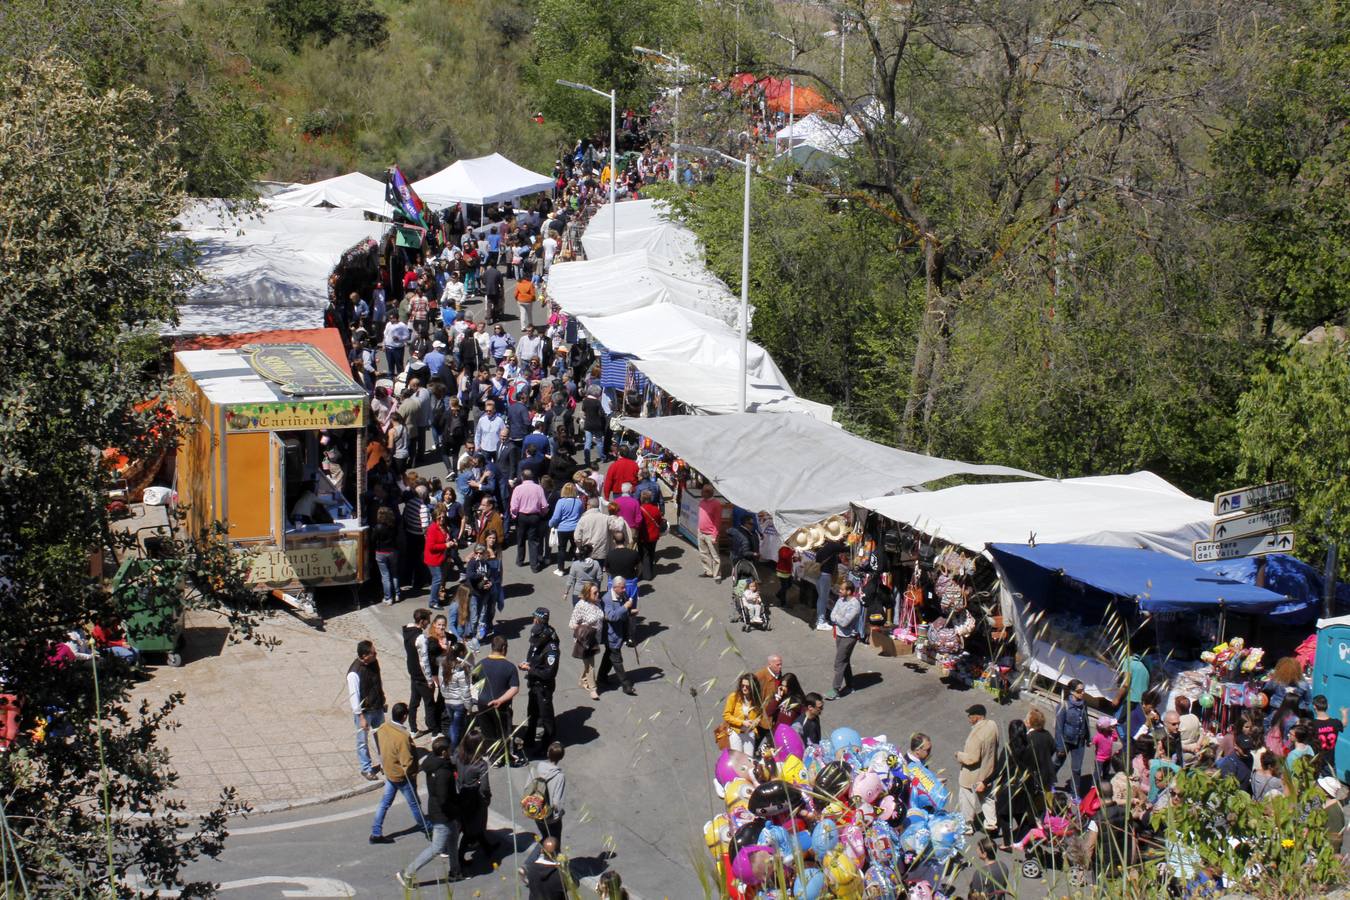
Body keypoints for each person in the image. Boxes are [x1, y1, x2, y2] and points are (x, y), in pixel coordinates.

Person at [397, 735, 464, 887]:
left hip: (443, 812)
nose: (451, 752)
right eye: (449, 750)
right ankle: (407, 872)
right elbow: (443, 798)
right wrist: (455, 807)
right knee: (437, 848)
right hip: (443, 815)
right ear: (444, 752)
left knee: (453, 841)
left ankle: (455, 871)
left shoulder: (433, 763)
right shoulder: (443, 773)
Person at [369, 703, 428, 843]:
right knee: (414, 804)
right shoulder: (403, 736)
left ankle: (376, 832)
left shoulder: (384, 727)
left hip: (390, 773)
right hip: (402, 776)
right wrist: (413, 773)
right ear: (405, 716)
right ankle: (427, 828)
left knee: (384, 803)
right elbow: (407, 761)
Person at [471, 634, 522, 767]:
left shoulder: (480, 663)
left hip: (483, 705)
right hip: (502, 707)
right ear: (504, 647)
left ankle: (493, 758)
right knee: (504, 732)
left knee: (487, 731)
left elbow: (474, 682)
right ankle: (505, 755)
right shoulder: (509, 667)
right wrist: (500, 700)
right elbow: (514, 688)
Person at [520, 607, 560, 754]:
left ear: (539, 620)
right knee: (532, 712)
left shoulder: (551, 648)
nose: (533, 621)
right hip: (534, 682)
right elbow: (533, 651)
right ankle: (529, 738)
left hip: (544, 686)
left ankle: (547, 746)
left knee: (546, 716)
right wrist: (527, 663)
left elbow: (549, 672)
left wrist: (530, 669)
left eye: (534, 618)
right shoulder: (537, 633)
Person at [955, 703, 999, 832]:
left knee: (967, 799)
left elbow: (972, 758)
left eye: (970, 716)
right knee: (987, 798)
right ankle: (991, 822)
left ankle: (967, 826)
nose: (969, 718)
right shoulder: (993, 725)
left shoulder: (976, 735)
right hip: (988, 771)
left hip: (972, 776)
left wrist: (959, 755)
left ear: (977, 717)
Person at [347, 640, 387, 780]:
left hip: (377, 707)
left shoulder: (374, 663)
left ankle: (385, 765)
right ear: (364, 656)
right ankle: (366, 768)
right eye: (373, 653)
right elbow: (354, 697)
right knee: (362, 741)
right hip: (364, 712)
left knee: (382, 738)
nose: (376, 655)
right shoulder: (354, 673)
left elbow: (378, 681)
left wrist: (382, 698)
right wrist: (361, 716)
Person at [455, 729, 494, 868]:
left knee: (470, 824)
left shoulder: (459, 756)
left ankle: (487, 846)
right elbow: (484, 787)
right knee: (473, 828)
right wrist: (486, 799)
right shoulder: (480, 764)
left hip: (461, 793)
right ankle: (460, 856)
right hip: (475, 798)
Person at [597, 583, 637, 696]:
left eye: (624, 587)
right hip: (611, 634)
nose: (624, 589)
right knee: (617, 659)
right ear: (614, 587)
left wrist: (630, 611)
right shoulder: (607, 599)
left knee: (609, 655)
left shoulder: (622, 595)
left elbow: (623, 612)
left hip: (619, 633)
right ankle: (626, 685)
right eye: (622, 587)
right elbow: (611, 616)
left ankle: (601, 677)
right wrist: (625, 607)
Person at [826, 580, 863, 701]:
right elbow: (832, 615)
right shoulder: (840, 600)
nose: (839, 591)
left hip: (849, 637)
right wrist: (837, 618)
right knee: (844, 660)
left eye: (842, 589)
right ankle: (850, 685)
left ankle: (835, 690)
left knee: (839, 662)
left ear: (849, 591)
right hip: (840, 634)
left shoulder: (855, 604)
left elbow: (845, 622)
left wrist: (837, 618)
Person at [1054, 680, 1091, 798]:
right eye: (1079, 691)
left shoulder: (1084, 704)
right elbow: (1059, 728)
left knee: (1077, 768)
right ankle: (1047, 782)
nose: (1082, 693)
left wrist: (1088, 737)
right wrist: (1060, 746)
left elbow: (1086, 721)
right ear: (1072, 692)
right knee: (1057, 763)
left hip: (1079, 742)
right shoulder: (1063, 706)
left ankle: (1075, 792)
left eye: (1083, 690)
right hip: (1066, 740)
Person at [569, 583, 605, 701]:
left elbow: (600, 618)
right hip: (585, 641)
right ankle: (593, 689)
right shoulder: (581, 605)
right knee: (590, 665)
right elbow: (572, 623)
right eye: (595, 593)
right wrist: (583, 628)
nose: (598, 594)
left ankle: (583, 680)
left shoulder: (598, 602)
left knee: (588, 664)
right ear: (587, 594)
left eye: (598, 592)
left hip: (595, 639)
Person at [511, 469, 550, 573]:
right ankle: (534, 565)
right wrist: (542, 513)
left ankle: (520, 560)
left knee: (520, 539)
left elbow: (513, 506)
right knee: (533, 541)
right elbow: (544, 505)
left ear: (522, 477)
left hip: (521, 516)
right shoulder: (538, 488)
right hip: (535, 516)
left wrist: (514, 516)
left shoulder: (518, 489)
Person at [403, 608, 433, 737]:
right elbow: (424, 661)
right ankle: (433, 729)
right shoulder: (420, 638)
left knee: (414, 702)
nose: (428, 624)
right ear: (422, 621)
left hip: (412, 672)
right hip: (421, 676)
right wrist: (429, 680)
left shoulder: (407, 631)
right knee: (429, 702)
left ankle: (413, 729)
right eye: (427, 621)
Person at [532, 742, 566, 844]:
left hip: (537, 810)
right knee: (554, 841)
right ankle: (553, 857)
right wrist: (560, 813)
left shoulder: (539, 766)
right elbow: (556, 802)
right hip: (550, 817)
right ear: (561, 757)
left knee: (545, 835)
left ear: (547, 754)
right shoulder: (559, 776)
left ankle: (544, 850)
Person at [441, 640, 473, 749]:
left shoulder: (444, 664)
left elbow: (442, 685)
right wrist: (469, 707)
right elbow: (465, 690)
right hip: (459, 703)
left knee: (453, 724)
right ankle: (453, 749)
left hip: (448, 701)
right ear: (460, 653)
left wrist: (446, 696)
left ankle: (450, 744)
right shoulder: (460, 669)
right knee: (456, 726)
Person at [722, 674, 763, 755]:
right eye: (742, 685)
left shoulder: (757, 699)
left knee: (749, 759)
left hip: (749, 733)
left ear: (752, 687)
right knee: (737, 759)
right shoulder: (734, 696)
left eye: (747, 686)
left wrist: (755, 722)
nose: (744, 688)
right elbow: (726, 715)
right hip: (736, 732)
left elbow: (760, 715)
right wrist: (742, 722)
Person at [549, 484, 585, 575]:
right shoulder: (579, 502)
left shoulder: (561, 502)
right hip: (575, 528)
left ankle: (560, 569)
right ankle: (577, 567)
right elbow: (581, 514)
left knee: (561, 549)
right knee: (576, 547)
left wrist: (551, 524)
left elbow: (556, 517)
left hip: (563, 529)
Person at [696, 484, 725, 582]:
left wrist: (714, 535)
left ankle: (717, 575)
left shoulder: (716, 504)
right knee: (703, 553)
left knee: (715, 555)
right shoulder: (702, 502)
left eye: (703, 491)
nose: (701, 493)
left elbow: (718, 521)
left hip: (710, 534)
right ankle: (708, 571)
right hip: (701, 532)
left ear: (708, 493)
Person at [967, 834, 1009, 900]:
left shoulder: (980, 873)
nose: (976, 851)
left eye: (978, 850)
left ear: (984, 854)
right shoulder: (1003, 866)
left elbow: (975, 896)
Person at [1313, 694, 1347, 773]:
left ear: (1314, 707)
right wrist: (1344, 714)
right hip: (1330, 762)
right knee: (1331, 784)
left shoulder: (1312, 724)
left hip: (1316, 762)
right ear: (1328, 706)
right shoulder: (1335, 723)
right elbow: (1344, 723)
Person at [636, 489, 664, 581]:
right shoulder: (656, 509)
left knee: (643, 554)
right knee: (651, 553)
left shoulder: (640, 509)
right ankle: (649, 572)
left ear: (642, 498)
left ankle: (644, 573)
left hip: (643, 536)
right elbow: (659, 522)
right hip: (654, 536)